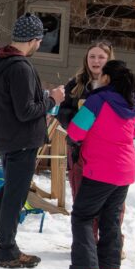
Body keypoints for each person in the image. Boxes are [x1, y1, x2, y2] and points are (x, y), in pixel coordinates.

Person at [0, 13, 66, 269]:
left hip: (5, 137)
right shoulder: (20, 67)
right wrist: (53, 99)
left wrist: (42, 97)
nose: (39, 44)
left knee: (11, 189)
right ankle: (8, 251)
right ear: (35, 39)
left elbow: (11, 103)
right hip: (21, 139)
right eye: (39, 40)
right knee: (15, 194)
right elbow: (26, 111)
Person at [63, 60, 135, 269]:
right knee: (110, 217)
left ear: (107, 78)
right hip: (125, 169)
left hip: (101, 169)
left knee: (83, 216)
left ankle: (84, 268)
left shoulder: (97, 100)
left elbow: (76, 131)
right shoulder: (134, 102)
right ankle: (109, 265)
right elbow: (134, 130)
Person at [57, 41, 115, 201]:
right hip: (79, 150)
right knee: (81, 197)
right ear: (86, 59)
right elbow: (62, 109)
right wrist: (73, 125)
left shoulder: (119, 83)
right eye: (92, 56)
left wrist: (134, 131)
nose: (96, 61)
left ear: (109, 59)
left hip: (108, 150)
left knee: (108, 203)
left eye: (101, 57)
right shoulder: (77, 83)